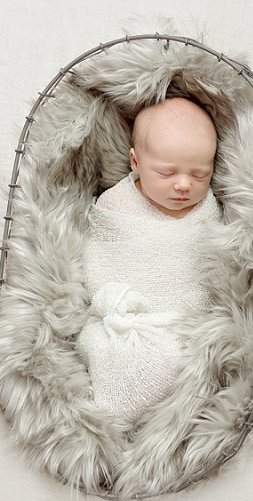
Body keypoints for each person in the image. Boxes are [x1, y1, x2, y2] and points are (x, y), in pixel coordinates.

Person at [76, 97, 222, 422]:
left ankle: (161, 419)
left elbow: (216, 269)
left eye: (200, 175)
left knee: (191, 359)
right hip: (122, 320)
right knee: (103, 349)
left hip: (181, 324)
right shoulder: (116, 207)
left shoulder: (208, 213)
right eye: (166, 172)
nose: (184, 185)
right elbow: (96, 260)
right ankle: (108, 417)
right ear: (135, 162)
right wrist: (113, 303)